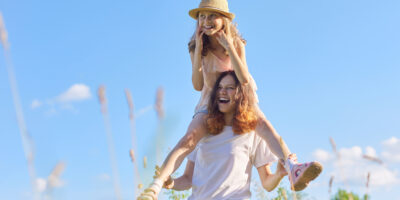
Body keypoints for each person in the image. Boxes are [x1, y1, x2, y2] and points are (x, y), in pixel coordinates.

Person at [138, 0, 322, 199]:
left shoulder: (237, 43)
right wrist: (199, 49)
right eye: (202, 16)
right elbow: (198, 85)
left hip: (239, 95)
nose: (206, 21)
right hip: (211, 99)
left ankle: (292, 167)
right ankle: (155, 187)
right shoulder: (195, 47)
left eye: (212, 16)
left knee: (264, 125)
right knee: (190, 138)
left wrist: (229, 46)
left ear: (224, 20)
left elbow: (243, 78)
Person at [147, 71, 297, 200]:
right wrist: (171, 183)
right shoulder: (203, 131)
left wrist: (278, 174)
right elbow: (188, 179)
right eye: (219, 88)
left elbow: (266, 183)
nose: (222, 92)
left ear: (241, 95)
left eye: (230, 88)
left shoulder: (252, 133)